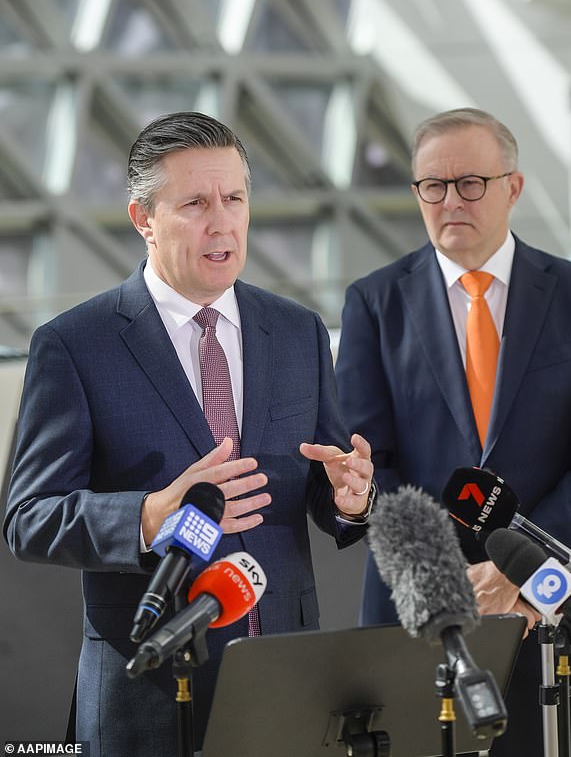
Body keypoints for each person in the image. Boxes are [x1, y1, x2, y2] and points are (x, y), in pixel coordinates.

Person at [3, 112, 375, 756]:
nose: (222, 221)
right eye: (196, 203)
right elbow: (29, 519)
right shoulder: (74, 344)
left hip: (286, 677)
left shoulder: (298, 332)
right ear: (142, 218)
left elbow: (323, 485)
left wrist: (349, 497)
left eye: (234, 199)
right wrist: (150, 514)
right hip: (147, 690)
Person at [335, 107, 571, 757]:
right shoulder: (372, 303)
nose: (450, 200)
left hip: (550, 604)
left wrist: (518, 571)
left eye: (470, 182)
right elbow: (370, 465)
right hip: (417, 612)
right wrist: (449, 584)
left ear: (513, 187)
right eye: (432, 186)